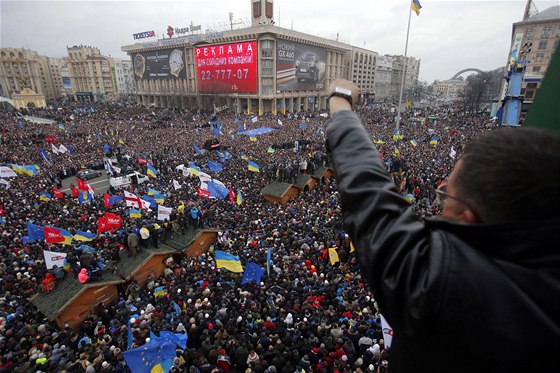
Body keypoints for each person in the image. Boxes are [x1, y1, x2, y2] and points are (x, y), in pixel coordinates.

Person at [324, 78, 560, 373]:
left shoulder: (441, 285)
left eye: (447, 192)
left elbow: (365, 185)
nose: (440, 194)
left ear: (469, 218)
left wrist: (340, 99)